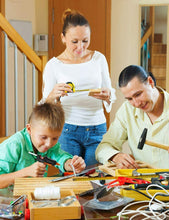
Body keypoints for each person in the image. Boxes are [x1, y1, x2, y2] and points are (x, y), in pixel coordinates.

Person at [42, 8, 116, 166]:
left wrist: (108, 95)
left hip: (98, 129)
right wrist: (52, 95)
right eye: (74, 42)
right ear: (63, 38)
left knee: (95, 180)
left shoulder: (99, 59)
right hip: (68, 130)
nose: (80, 47)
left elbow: (110, 92)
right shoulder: (53, 66)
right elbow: (45, 106)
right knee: (71, 178)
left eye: (85, 40)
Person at [95, 65, 169, 169]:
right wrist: (116, 156)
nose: (137, 103)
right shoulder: (127, 110)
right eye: (129, 99)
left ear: (150, 82)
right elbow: (102, 148)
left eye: (138, 94)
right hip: (141, 182)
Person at [0, 103, 85, 189]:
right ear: (29, 129)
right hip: (9, 199)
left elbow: (60, 157)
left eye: (55, 138)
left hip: (34, 193)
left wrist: (71, 164)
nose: (49, 144)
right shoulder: (14, 145)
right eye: (43, 137)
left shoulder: (49, 145)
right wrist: (26, 172)